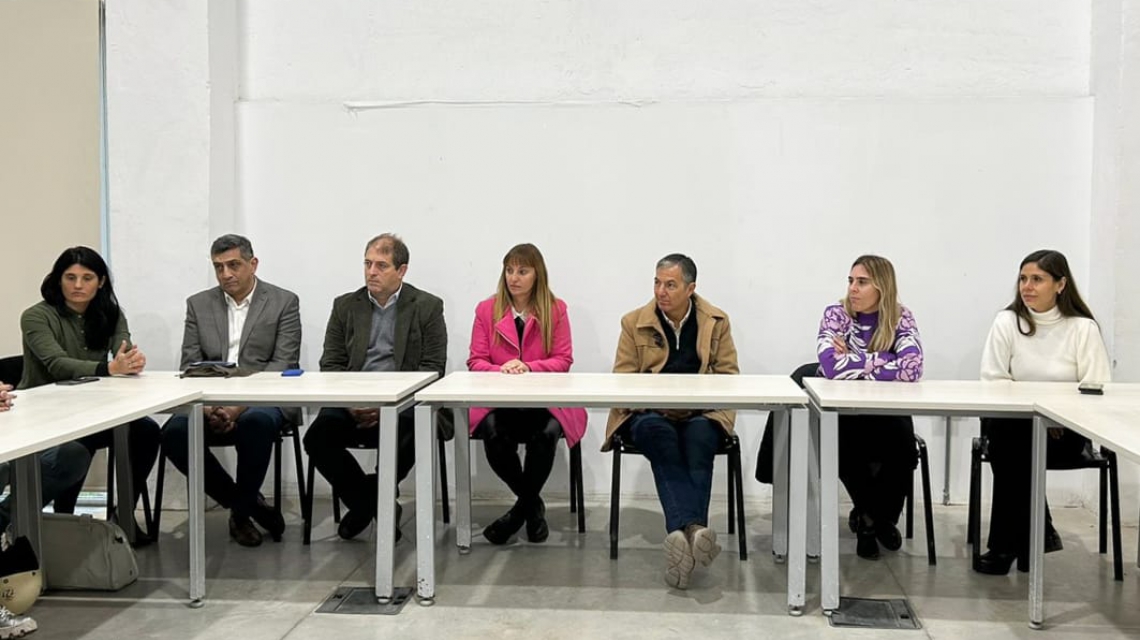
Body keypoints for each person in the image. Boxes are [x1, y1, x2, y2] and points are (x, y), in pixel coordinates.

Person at [304, 233, 451, 541]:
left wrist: (388, 404)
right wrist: (353, 404)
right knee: (317, 437)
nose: (371, 272)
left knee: (415, 427)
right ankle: (373, 504)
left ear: (402, 270)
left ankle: (367, 503)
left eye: (381, 265)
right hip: (353, 402)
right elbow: (331, 365)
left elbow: (432, 369)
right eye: (367, 264)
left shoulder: (427, 306)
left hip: (405, 403)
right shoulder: (345, 306)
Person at [605, 253, 738, 590]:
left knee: (700, 438)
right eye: (657, 282)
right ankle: (694, 529)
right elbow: (622, 379)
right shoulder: (633, 322)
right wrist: (655, 403)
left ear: (690, 289)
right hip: (648, 413)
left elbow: (728, 377)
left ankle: (683, 535)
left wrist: (700, 404)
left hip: (702, 412)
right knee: (659, 435)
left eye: (670, 285)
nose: (660, 291)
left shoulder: (716, 321)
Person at [975, 249, 1111, 575]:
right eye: (1023, 278)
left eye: (1037, 279)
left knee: (1012, 447)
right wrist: (1037, 414)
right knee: (1014, 437)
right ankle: (1036, 534)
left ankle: (1007, 545)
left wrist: (1056, 416)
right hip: (1015, 426)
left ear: (1060, 285)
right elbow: (993, 381)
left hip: (1065, 433)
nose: (1027, 286)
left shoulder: (1082, 328)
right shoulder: (1007, 322)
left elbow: (1095, 387)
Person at [161, 234, 302, 547]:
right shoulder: (198, 304)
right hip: (209, 400)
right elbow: (191, 365)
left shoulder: (283, 301)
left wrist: (238, 407)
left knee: (256, 424)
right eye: (218, 267)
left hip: (265, 398)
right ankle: (248, 504)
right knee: (173, 433)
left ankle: (240, 515)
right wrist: (212, 407)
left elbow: (282, 364)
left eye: (234, 265)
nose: (226, 274)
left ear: (253, 264)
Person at [16, 246, 160, 544]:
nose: (78, 285)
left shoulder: (111, 313)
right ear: (58, 280)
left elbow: (123, 350)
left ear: (101, 282)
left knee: (145, 430)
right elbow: (57, 365)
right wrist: (110, 368)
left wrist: (131, 361)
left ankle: (123, 515)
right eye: (70, 277)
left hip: (93, 410)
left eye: (87, 278)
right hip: (45, 415)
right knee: (78, 444)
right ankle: (62, 520)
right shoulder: (36, 316)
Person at [467, 243, 587, 544]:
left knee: (546, 434)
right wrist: (502, 369)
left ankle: (519, 513)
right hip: (499, 404)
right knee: (493, 433)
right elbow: (475, 361)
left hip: (545, 403)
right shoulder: (486, 310)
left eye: (522, 271)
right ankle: (532, 507)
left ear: (537, 275)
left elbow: (563, 360)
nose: (514, 277)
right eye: (509, 270)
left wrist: (529, 367)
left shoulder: (556, 309)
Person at [816, 254, 924, 560]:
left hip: (888, 411)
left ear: (882, 287)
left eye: (862, 282)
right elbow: (830, 366)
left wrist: (855, 360)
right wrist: (885, 358)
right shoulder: (836, 314)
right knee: (844, 444)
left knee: (904, 448)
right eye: (851, 281)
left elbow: (912, 368)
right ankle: (873, 519)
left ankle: (875, 517)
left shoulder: (901, 317)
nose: (853, 288)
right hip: (847, 412)